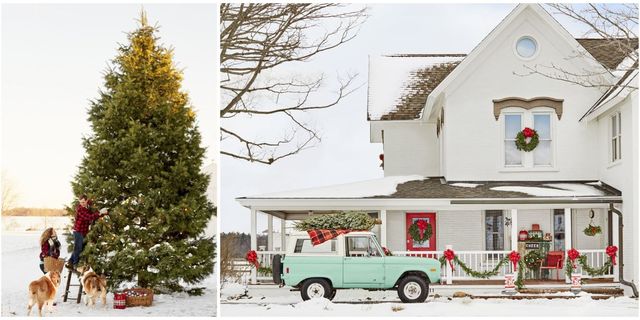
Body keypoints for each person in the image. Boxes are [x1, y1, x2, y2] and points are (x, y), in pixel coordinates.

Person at [66, 195, 108, 269]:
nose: (82, 204)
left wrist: (101, 213)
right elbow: (89, 217)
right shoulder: (80, 209)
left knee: (81, 247)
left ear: (86, 200)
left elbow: (92, 210)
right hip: (78, 231)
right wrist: (99, 213)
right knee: (78, 248)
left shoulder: (87, 205)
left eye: (83, 202)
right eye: (81, 202)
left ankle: (70, 262)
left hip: (84, 231)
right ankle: (75, 264)